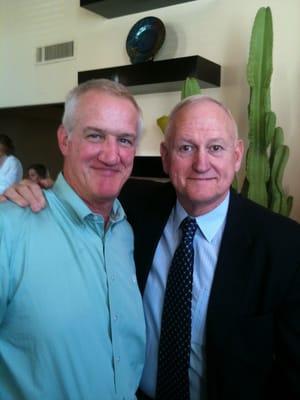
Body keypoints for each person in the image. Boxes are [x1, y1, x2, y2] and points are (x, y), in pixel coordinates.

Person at [3, 95, 300, 400]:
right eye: (186, 147)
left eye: (215, 148)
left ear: (237, 155)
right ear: (165, 156)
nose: (201, 163)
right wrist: (22, 195)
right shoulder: (131, 205)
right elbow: (80, 190)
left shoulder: (284, 245)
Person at [0, 79, 146, 400]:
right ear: (64, 140)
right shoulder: (9, 227)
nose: (111, 155)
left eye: (124, 140)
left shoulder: (125, 231)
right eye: (95, 135)